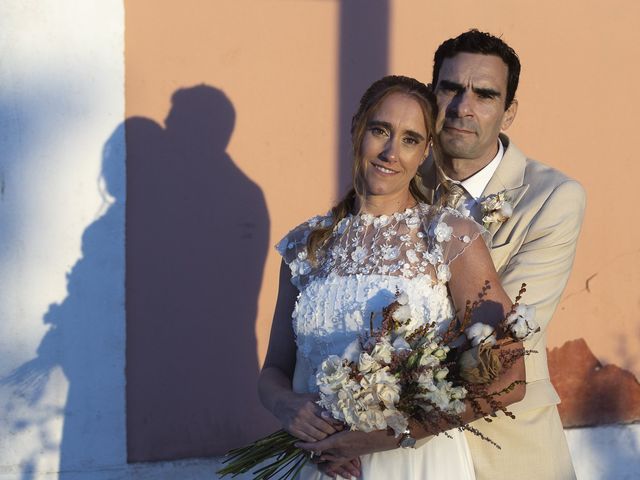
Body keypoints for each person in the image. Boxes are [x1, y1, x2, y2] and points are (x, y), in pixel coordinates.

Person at [258, 75, 527, 479]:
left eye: (410, 139)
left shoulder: (449, 237)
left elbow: (511, 376)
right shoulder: (304, 247)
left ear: (425, 154)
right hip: (320, 465)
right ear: (356, 129)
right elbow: (274, 369)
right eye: (380, 130)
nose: (389, 152)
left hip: (416, 463)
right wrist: (287, 407)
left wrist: (388, 435)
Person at [418, 30, 585, 479]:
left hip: (509, 449)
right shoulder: (399, 183)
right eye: (450, 88)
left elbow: (502, 340)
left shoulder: (553, 198)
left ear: (508, 112)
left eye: (485, 94)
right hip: (408, 459)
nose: (462, 108)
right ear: (431, 94)